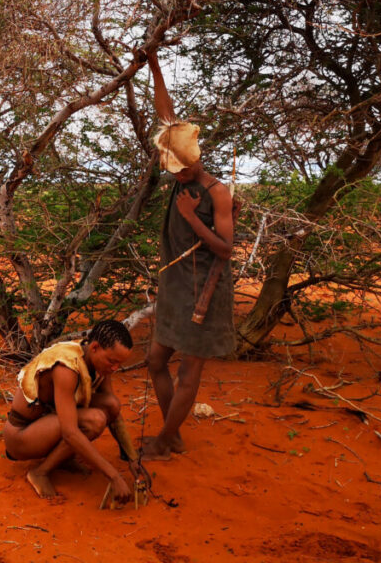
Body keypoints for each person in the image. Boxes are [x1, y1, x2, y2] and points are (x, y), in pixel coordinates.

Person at [140, 48, 235, 461]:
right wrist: (155, 64)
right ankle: (171, 434)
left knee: (189, 370)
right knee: (154, 360)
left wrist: (191, 218)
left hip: (205, 289)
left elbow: (226, 249)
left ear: (193, 163)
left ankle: (165, 441)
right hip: (176, 284)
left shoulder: (218, 193)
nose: (175, 176)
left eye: (179, 170)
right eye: (172, 170)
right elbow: (166, 113)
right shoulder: (179, 162)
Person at [3, 320, 136, 502]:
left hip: (49, 422)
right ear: (95, 347)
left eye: (119, 364)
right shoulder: (67, 367)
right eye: (112, 361)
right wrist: (114, 476)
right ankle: (39, 473)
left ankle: (62, 459)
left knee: (111, 404)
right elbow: (70, 432)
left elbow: (113, 412)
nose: (115, 368)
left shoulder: (96, 361)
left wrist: (132, 459)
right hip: (21, 436)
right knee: (94, 420)